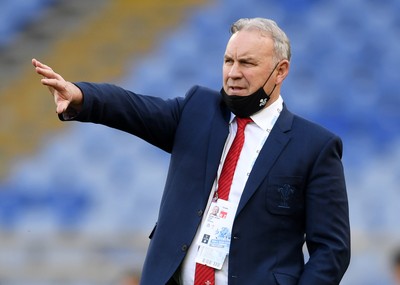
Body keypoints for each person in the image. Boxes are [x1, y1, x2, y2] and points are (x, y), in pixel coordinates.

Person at [33, 17, 350, 285]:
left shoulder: (314, 146)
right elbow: (133, 108)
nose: (233, 73)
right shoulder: (198, 110)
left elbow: (332, 249)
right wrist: (81, 97)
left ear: (280, 71)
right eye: (228, 61)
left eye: (247, 63)